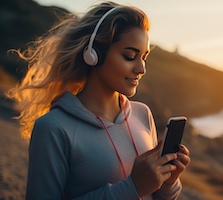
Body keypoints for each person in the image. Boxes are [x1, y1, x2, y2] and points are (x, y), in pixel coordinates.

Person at [6, 1, 190, 199]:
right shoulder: (53, 127)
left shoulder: (142, 114)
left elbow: (153, 195)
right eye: (130, 56)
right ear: (94, 54)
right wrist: (132, 187)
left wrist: (168, 183)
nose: (141, 68)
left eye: (144, 57)